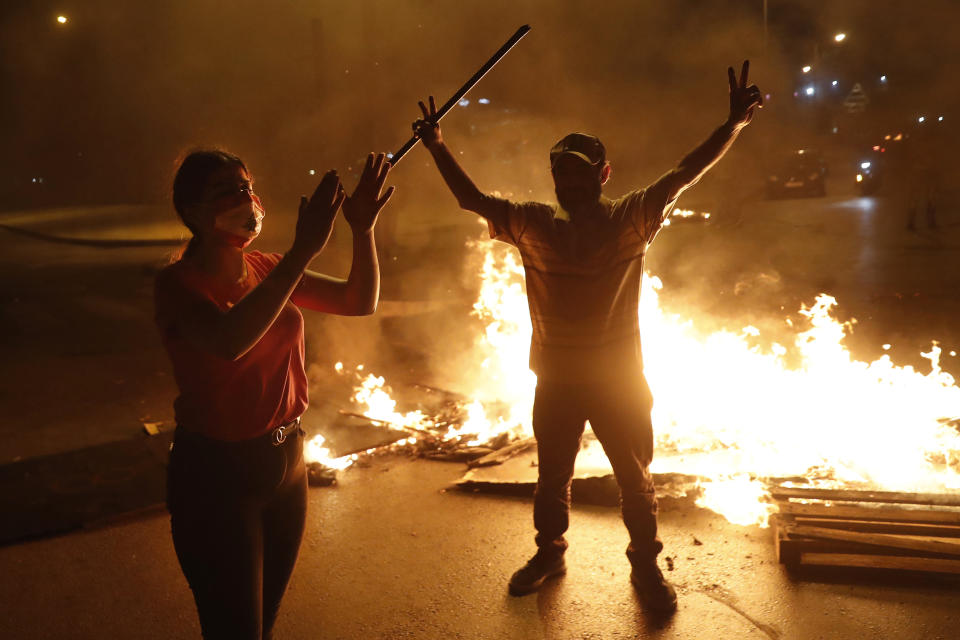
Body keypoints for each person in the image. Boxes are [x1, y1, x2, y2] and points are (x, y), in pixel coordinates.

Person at [412, 61, 762, 614]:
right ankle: (549, 554)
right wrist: (436, 146)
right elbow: (472, 201)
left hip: (620, 381)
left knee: (635, 481)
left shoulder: (631, 219)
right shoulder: (533, 224)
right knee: (551, 478)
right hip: (556, 379)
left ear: (602, 175)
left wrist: (733, 125)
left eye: (579, 174)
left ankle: (645, 566)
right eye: (561, 174)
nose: (569, 183)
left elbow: (683, 172)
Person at [155, 150, 394, 638]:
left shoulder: (265, 267)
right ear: (194, 211)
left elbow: (358, 300)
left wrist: (362, 228)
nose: (246, 199)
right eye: (227, 191)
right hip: (218, 476)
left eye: (247, 187)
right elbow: (229, 342)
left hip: (287, 461)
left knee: (263, 625)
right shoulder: (177, 285)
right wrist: (303, 251)